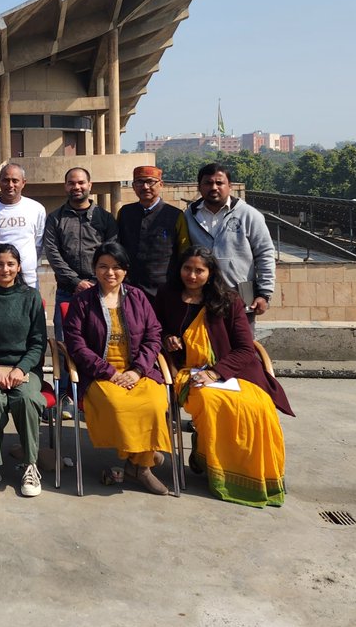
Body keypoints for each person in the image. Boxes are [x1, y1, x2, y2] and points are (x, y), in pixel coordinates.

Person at [154, 246, 293, 507]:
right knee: (211, 402)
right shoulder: (167, 294)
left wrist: (215, 372)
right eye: (187, 269)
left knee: (257, 408)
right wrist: (167, 338)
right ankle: (213, 465)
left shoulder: (228, 300)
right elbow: (155, 329)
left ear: (210, 272)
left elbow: (244, 347)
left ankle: (253, 475)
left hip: (231, 370)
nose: (192, 276)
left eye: (199, 270)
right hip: (187, 371)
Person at [62, 242, 172, 495]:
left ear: (125, 270)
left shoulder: (137, 297)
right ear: (94, 269)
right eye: (103, 267)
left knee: (155, 403)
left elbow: (154, 335)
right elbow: (76, 344)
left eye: (116, 267)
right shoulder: (82, 301)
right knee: (118, 405)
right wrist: (110, 373)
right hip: (100, 375)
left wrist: (137, 371)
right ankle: (141, 461)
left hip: (137, 371)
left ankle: (140, 466)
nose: (110, 273)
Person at [0, 244, 48, 497]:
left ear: (19, 267)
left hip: (25, 368)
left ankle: (30, 464)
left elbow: (38, 341)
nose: (5, 269)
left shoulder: (31, 296)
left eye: (10, 264)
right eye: (0, 264)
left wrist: (21, 368)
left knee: (26, 399)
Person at [42, 166, 117, 417]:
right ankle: (66, 395)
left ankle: (94, 391)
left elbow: (111, 253)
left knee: (99, 342)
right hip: (68, 292)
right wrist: (76, 282)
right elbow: (53, 253)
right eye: (72, 183)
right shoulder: (55, 219)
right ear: (66, 186)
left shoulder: (104, 219)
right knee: (65, 345)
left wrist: (98, 281)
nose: (77, 187)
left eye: (81, 183)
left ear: (90, 185)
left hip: (100, 292)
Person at [178, 163, 276, 318]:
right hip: (201, 297)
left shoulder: (248, 215)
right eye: (208, 183)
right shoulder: (189, 216)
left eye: (219, 183)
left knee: (242, 341)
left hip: (242, 296)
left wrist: (264, 294)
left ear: (229, 186)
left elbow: (265, 254)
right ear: (199, 187)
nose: (214, 187)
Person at [115, 165, 183, 299]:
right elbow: (118, 247)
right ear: (134, 186)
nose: (145, 187)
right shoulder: (125, 213)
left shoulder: (176, 215)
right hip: (130, 289)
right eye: (140, 182)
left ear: (161, 184)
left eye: (150, 182)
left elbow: (183, 252)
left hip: (164, 291)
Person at [0, 162, 47, 288]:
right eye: (5, 180)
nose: (10, 185)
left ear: (23, 183)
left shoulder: (36, 209)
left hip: (28, 281)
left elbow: (38, 243)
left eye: (15, 180)